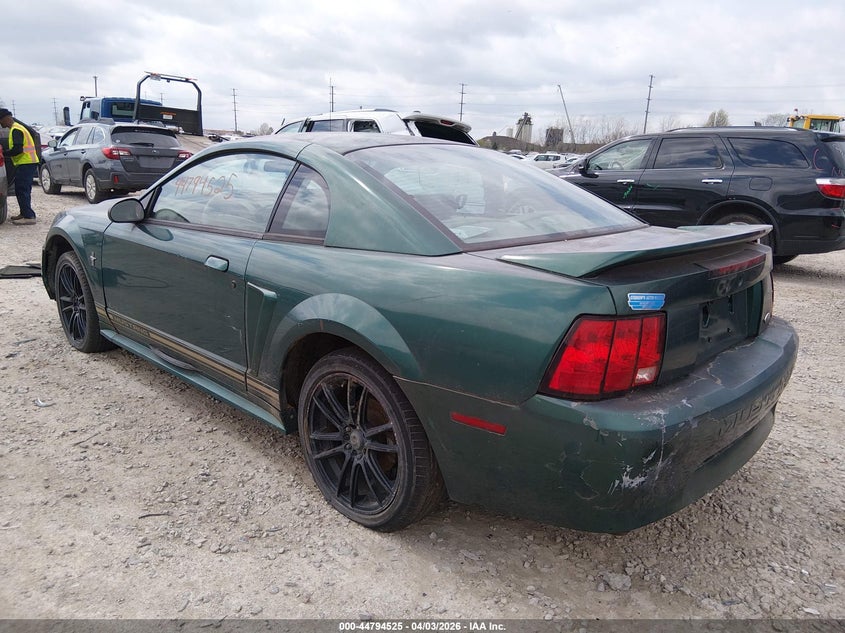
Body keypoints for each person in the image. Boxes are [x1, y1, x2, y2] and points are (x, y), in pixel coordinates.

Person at [0, 108, 38, 225]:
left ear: (5, 118)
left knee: (22, 189)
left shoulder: (16, 130)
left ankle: (29, 216)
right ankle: (24, 213)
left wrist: (3, 153)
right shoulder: (17, 128)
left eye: (0, 121)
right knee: (22, 189)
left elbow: (18, 149)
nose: (1, 124)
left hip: (26, 163)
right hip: (26, 163)